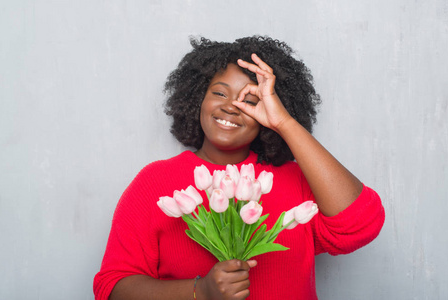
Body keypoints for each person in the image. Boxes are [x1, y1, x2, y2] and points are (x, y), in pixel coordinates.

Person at [93, 36, 385, 300]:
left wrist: (284, 123)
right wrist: (199, 291)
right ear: (197, 99)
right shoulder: (155, 181)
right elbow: (113, 288)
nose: (231, 107)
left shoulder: (295, 179)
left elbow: (360, 226)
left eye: (249, 100)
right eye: (219, 93)